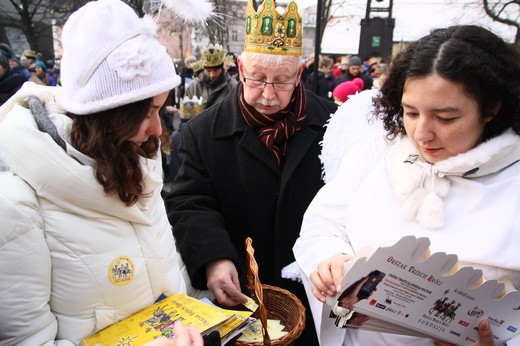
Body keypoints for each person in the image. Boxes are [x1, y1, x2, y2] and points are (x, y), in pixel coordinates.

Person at [0, 0, 216, 344]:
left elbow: (166, 276)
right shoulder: (16, 205)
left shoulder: (135, 161)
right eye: (147, 113)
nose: (157, 129)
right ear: (108, 115)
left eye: (161, 109)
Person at [294, 24, 520, 346]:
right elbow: (323, 224)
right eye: (411, 112)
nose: (421, 134)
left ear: (492, 108)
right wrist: (331, 257)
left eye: (445, 118)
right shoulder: (379, 152)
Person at [165, 0, 337, 344]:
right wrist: (213, 257)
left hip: (317, 298)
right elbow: (189, 202)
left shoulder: (335, 124)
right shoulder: (201, 132)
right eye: (257, 79)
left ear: (300, 73)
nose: (268, 95)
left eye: (282, 82)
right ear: (239, 68)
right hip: (241, 299)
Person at [184, 44, 237, 112]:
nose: (212, 74)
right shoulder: (193, 87)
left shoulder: (233, 86)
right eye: (208, 71)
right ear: (204, 69)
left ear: (222, 68)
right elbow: (186, 113)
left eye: (216, 70)